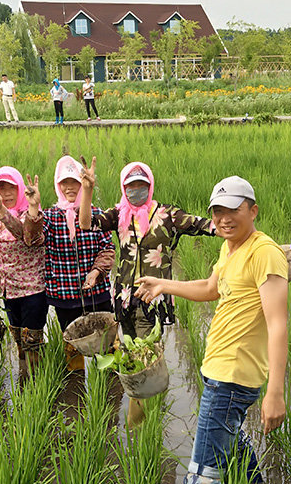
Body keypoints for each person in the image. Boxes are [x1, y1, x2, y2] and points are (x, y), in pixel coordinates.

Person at [135, 176, 288, 484]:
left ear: (252, 210)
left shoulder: (264, 253)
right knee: (227, 436)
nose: (223, 218)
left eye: (232, 210)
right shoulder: (230, 248)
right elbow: (210, 288)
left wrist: (276, 393)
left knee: (202, 476)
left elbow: (279, 325)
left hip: (234, 376)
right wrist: (163, 284)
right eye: (217, 211)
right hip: (218, 370)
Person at [78, 158, 214, 426]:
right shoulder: (119, 214)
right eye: (131, 186)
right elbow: (86, 224)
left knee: (145, 360)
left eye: (141, 185)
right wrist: (88, 190)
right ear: (123, 187)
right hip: (124, 299)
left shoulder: (167, 215)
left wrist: (243, 233)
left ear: (150, 186)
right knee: (131, 357)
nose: (135, 190)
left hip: (153, 300)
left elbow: (205, 225)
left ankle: (138, 423)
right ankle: (142, 421)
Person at [21, 155, 114, 374]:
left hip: (97, 291)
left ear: (82, 183)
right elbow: (31, 240)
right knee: (72, 345)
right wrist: (33, 208)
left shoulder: (97, 214)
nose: (69, 187)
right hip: (64, 294)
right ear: (57, 184)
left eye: (74, 181)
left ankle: (111, 386)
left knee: (108, 343)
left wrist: (96, 272)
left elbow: (108, 249)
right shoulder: (50, 217)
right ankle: (76, 386)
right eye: (65, 182)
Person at [0, 167, 47, 383]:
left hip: (33, 290)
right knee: (19, 338)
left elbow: (29, 237)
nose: (7, 193)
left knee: (32, 340)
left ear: (20, 189)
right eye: (2, 188)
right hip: (8, 291)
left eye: (12, 188)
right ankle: (24, 379)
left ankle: (36, 384)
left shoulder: (32, 214)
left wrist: (33, 206)